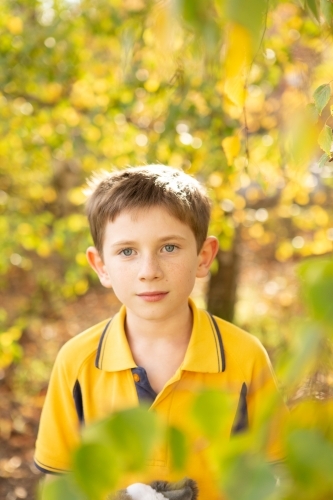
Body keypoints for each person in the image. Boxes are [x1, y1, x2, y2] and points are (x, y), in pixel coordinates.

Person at [34, 165, 287, 499]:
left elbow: (275, 475)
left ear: (203, 256)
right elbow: (59, 481)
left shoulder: (245, 356)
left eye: (169, 247)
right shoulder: (76, 362)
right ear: (101, 266)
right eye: (127, 251)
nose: (149, 272)